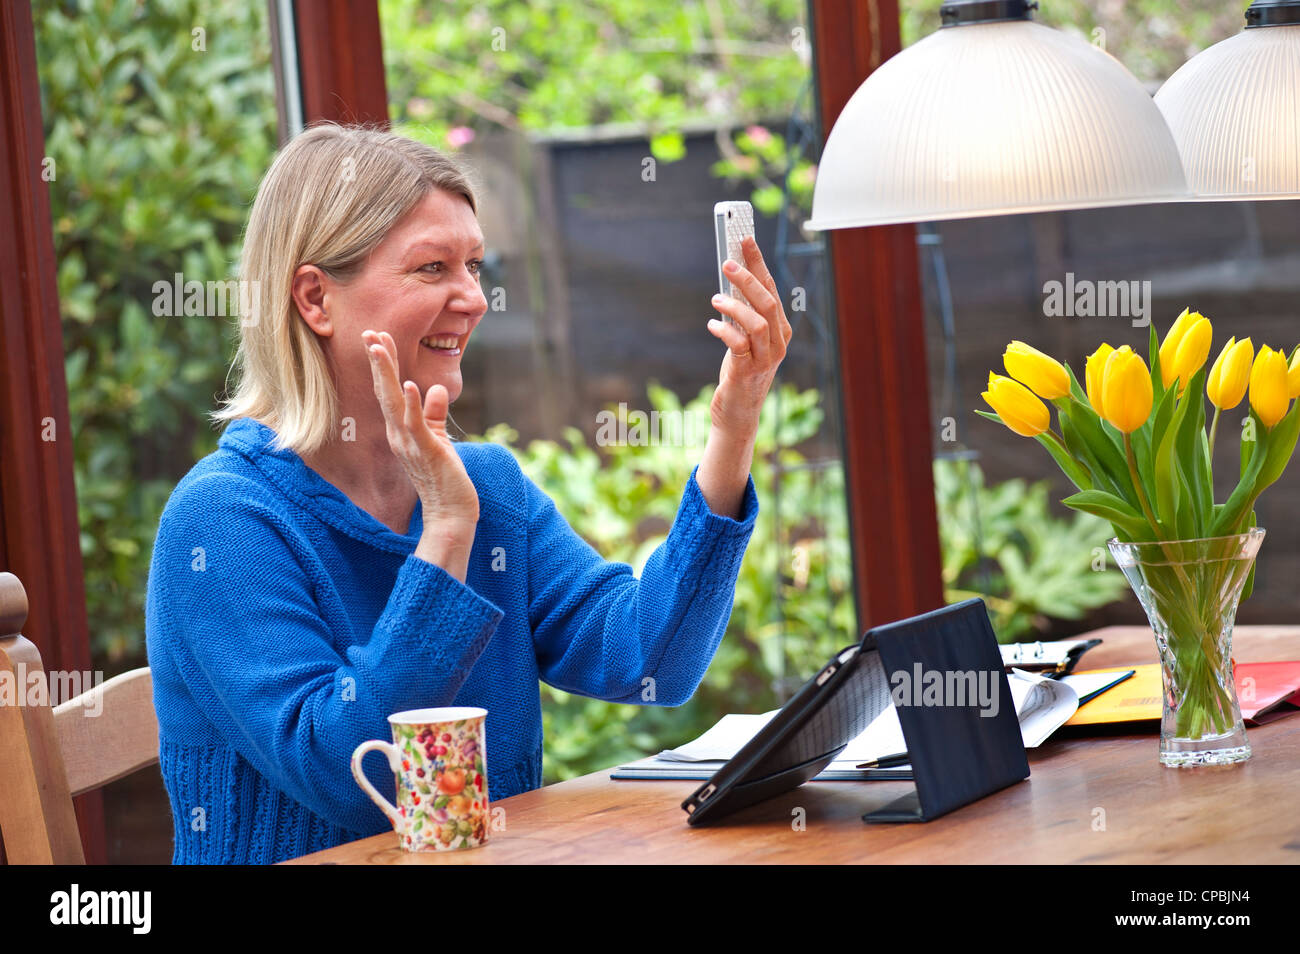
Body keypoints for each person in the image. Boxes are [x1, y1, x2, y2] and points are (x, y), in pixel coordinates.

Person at [144, 122, 792, 864]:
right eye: (431, 268)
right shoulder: (225, 522)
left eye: (475, 266)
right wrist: (446, 531)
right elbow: (355, 779)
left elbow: (652, 659)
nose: (475, 299)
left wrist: (735, 421)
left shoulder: (486, 485)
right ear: (316, 299)